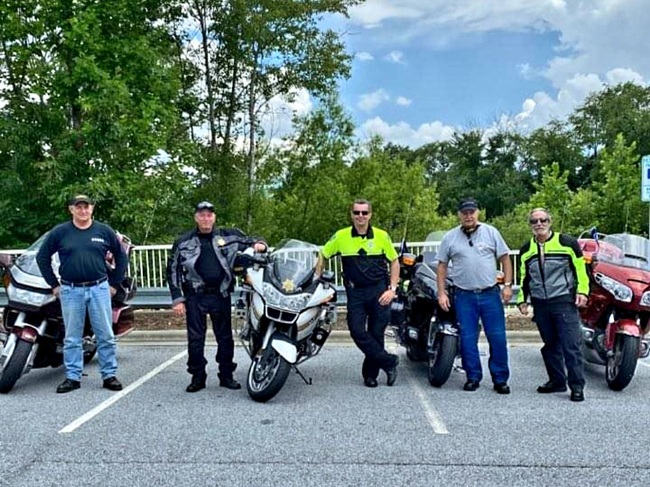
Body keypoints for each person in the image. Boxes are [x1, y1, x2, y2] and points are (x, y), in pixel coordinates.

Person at [166, 201, 267, 393]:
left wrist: (260, 245)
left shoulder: (228, 235)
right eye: (202, 215)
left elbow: (254, 240)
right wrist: (177, 299)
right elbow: (172, 270)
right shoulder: (183, 241)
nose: (205, 218)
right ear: (196, 218)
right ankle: (197, 377)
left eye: (209, 215)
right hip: (195, 296)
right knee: (195, 339)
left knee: (225, 338)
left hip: (221, 294)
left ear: (214, 217)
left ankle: (226, 375)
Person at [36, 195, 128, 393]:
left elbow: (121, 256)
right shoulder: (60, 232)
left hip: (99, 289)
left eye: (86, 207)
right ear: (71, 209)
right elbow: (42, 257)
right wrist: (54, 285)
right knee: (72, 337)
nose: (83, 211)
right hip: (70, 290)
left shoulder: (104, 231)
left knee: (105, 335)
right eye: (78, 207)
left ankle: (109, 375)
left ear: (92, 208)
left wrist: (114, 284)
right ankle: (72, 377)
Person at [319, 199, 400, 388]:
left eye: (364, 212)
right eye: (357, 212)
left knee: (376, 333)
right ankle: (389, 361)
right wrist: (318, 279)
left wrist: (392, 289)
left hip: (379, 291)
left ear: (370, 215)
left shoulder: (381, 236)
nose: (360, 216)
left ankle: (370, 376)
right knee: (356, 330)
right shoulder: (341, 236)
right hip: (355, 292)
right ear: (352, 214)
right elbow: (322, 255)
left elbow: (395, 261)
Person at [436, 198, 513, 394]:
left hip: (490, 294)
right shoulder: (450, 237)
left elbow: (505, 259)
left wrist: (507, 285)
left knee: (497, 338)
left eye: (471, 212)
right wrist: (441, 293)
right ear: (459, 215)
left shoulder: (491, 232)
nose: (468, 216)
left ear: (478, 213)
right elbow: (442, 266)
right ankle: (472, 377)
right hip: (464, 296)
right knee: (467, 338)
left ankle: (500, 379)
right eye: (465, 213)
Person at [516, 208, 589, 402]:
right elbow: (524, 278)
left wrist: (583, 291)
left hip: (563, 300)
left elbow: (581, 270)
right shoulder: (526, 250)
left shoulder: (567, 243)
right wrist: (522, 299)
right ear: (530, 225)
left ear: (550, 221)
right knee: (550, 345)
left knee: (570, 345)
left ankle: (577, 387)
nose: (539, 224)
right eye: (534, 221)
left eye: (543, 220)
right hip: (540, 303)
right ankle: (557, 381)